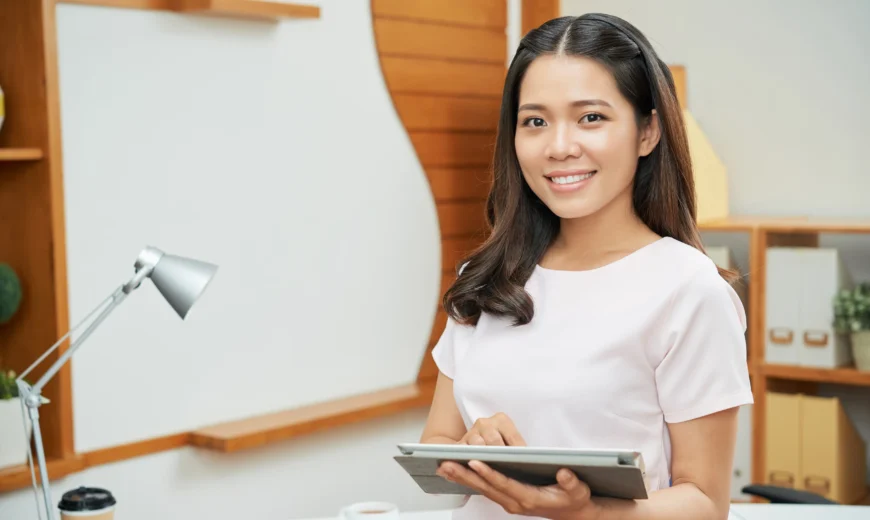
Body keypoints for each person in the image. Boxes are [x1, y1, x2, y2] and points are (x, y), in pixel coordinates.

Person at [418, 12, 753, 520]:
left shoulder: (688, 290)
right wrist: (472, 447)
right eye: (535, 121)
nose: (559, 147)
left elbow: (705, 502)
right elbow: (438, 443)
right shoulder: (485, 278)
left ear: (647, 132)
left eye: (590, 117)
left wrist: (587, 512)